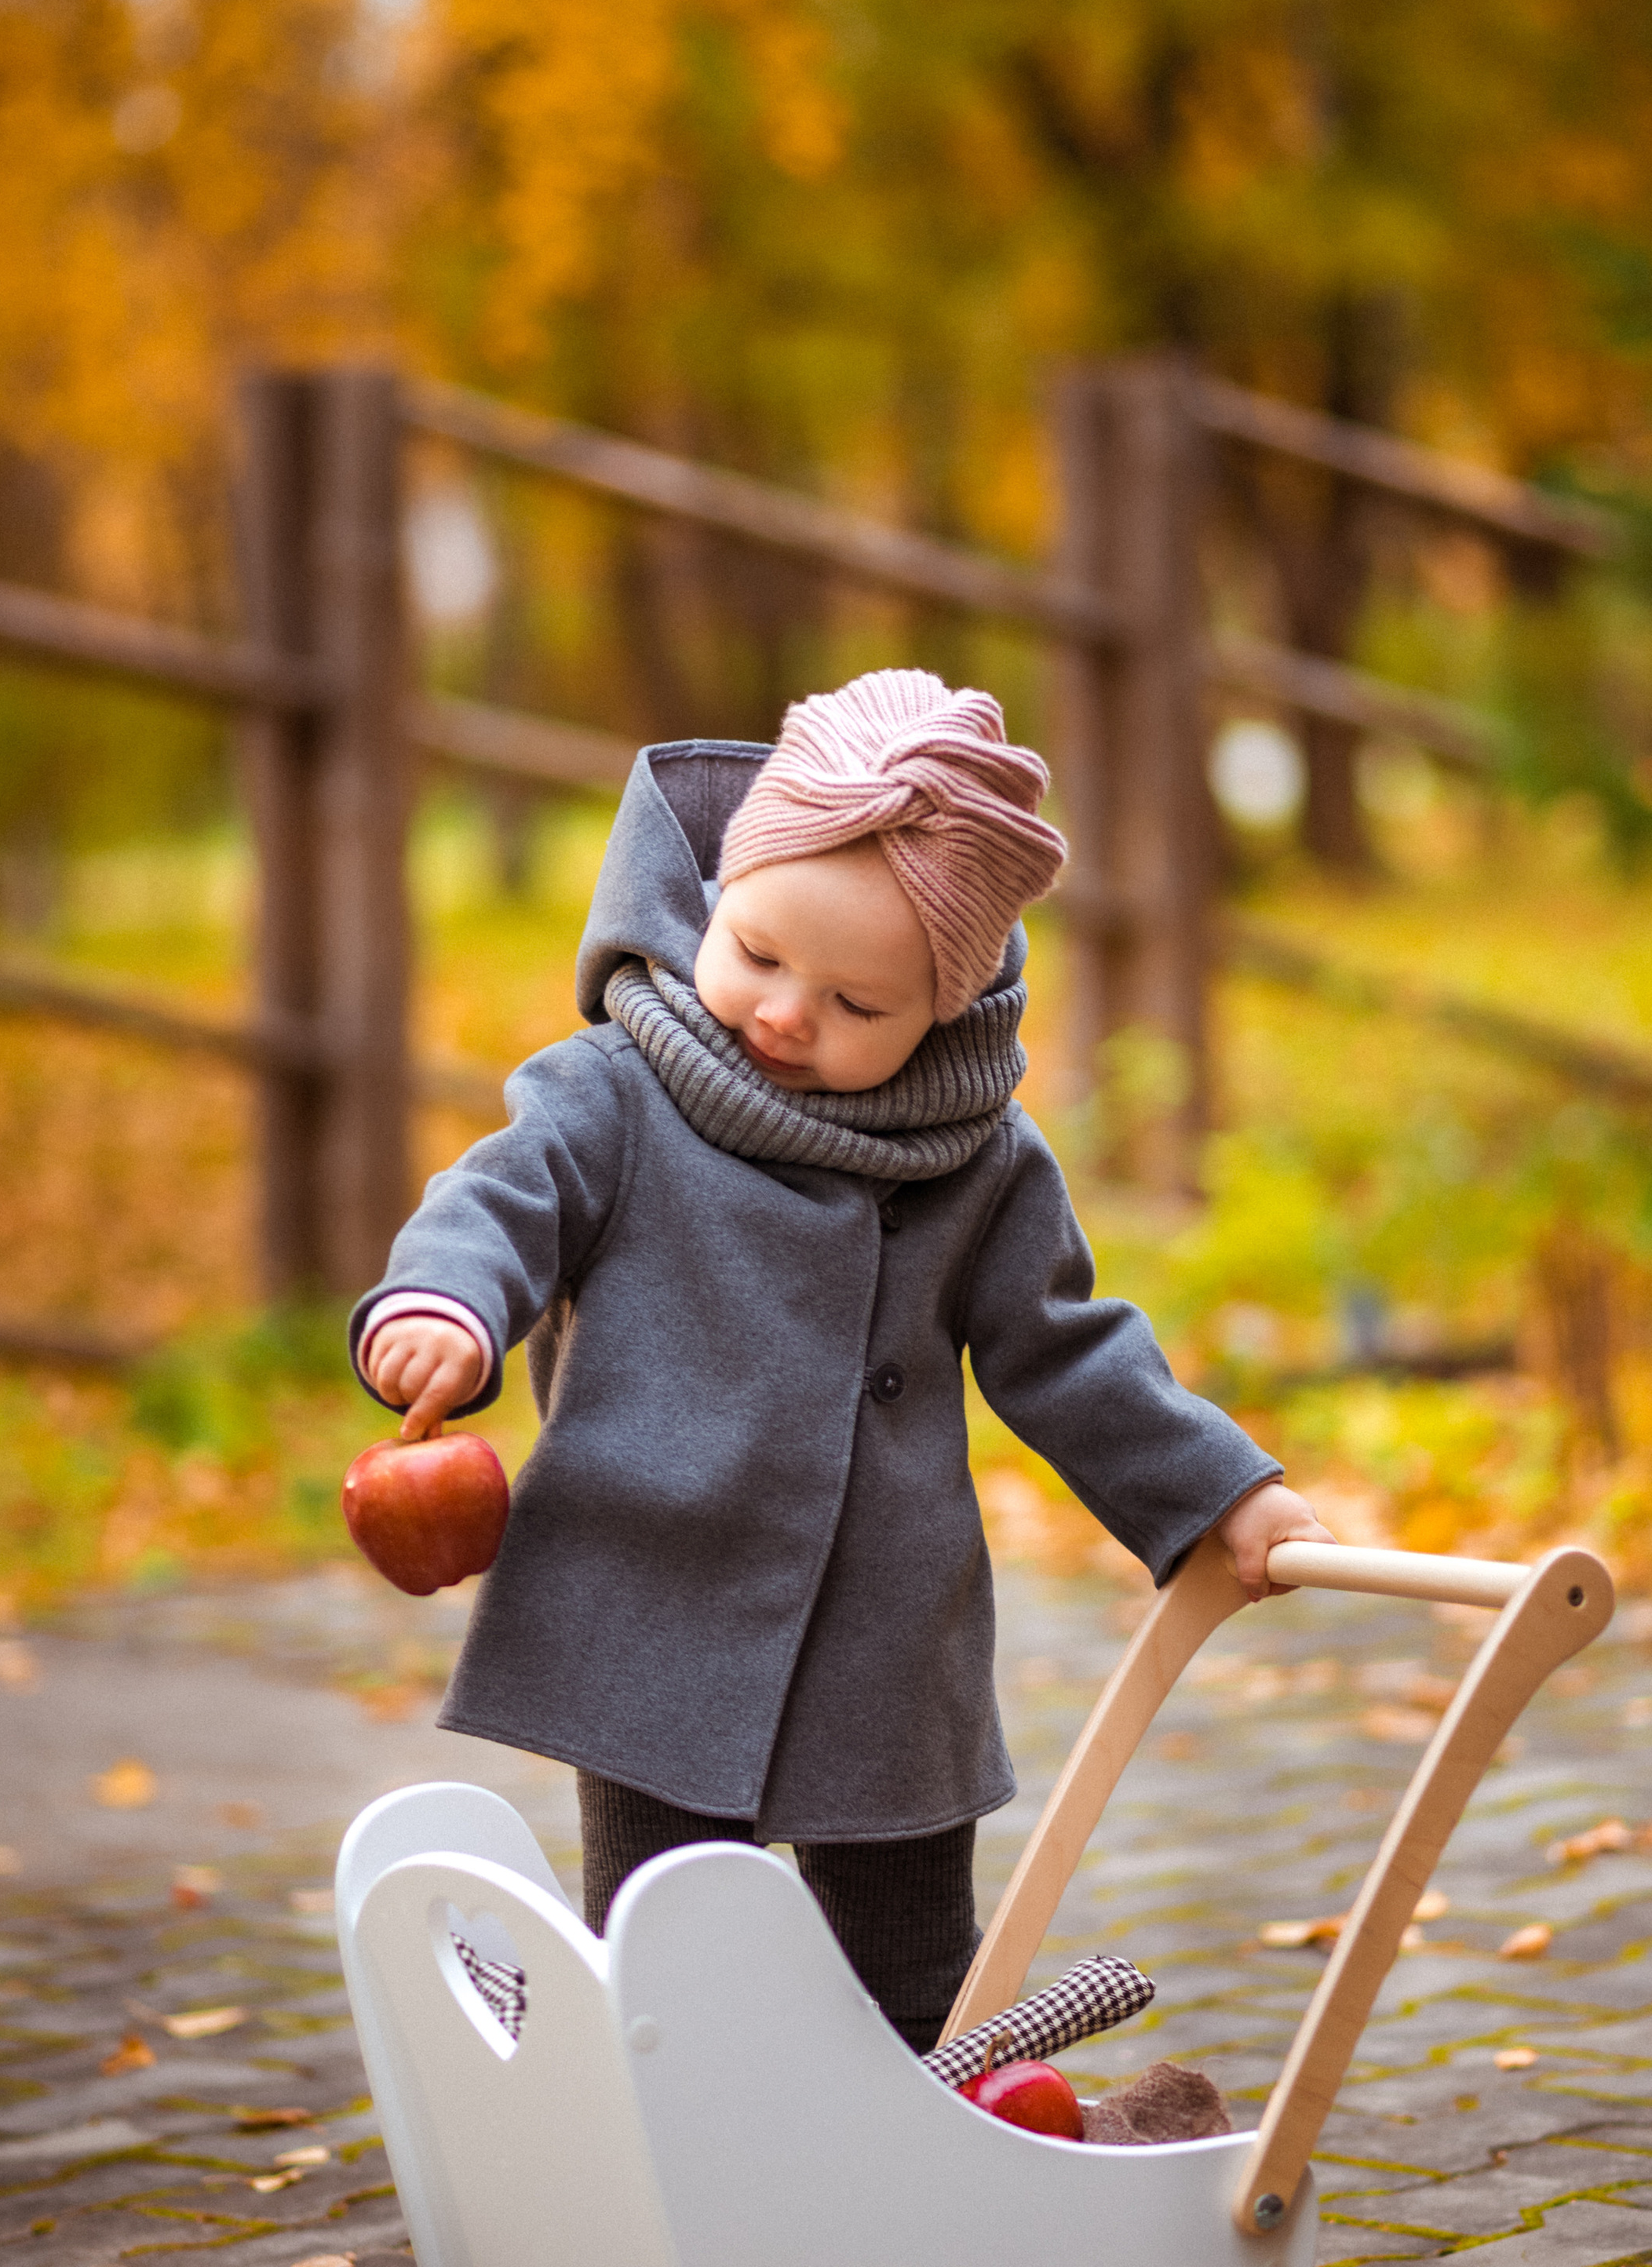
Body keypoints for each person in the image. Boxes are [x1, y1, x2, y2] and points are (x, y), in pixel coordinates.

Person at [352, 669, 1331, 2049]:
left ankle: (944, 2151)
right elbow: (502, 1199)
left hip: (886, 1629)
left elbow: (1065, 1347)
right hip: (660, 1603)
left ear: (944, 1011)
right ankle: (660, 2154)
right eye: (755, 950)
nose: (783, 1013)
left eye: (856, 1004)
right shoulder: (617, 1088)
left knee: (914, 1964)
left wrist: (1217, 1492)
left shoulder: (979, 1159)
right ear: (714, 894)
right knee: (664, 1942)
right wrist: (447, 1304)